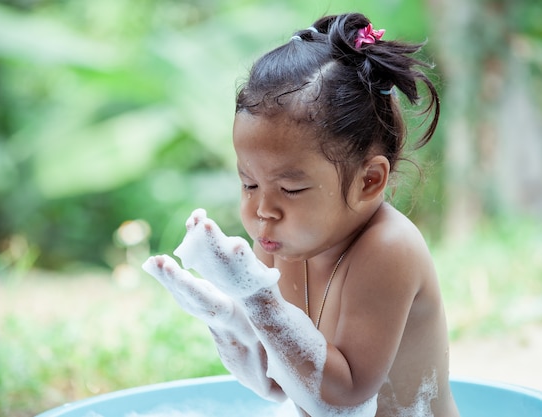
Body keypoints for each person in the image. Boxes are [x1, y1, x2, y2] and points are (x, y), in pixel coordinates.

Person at [143, 12, 460, 417]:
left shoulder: (388, 249)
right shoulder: (283, 240)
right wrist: (226, 321)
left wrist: (255, 297)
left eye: (290, 189)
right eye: (248, 184)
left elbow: (346, 392)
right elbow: (279, 381)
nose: (263, 210)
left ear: (368, 182)